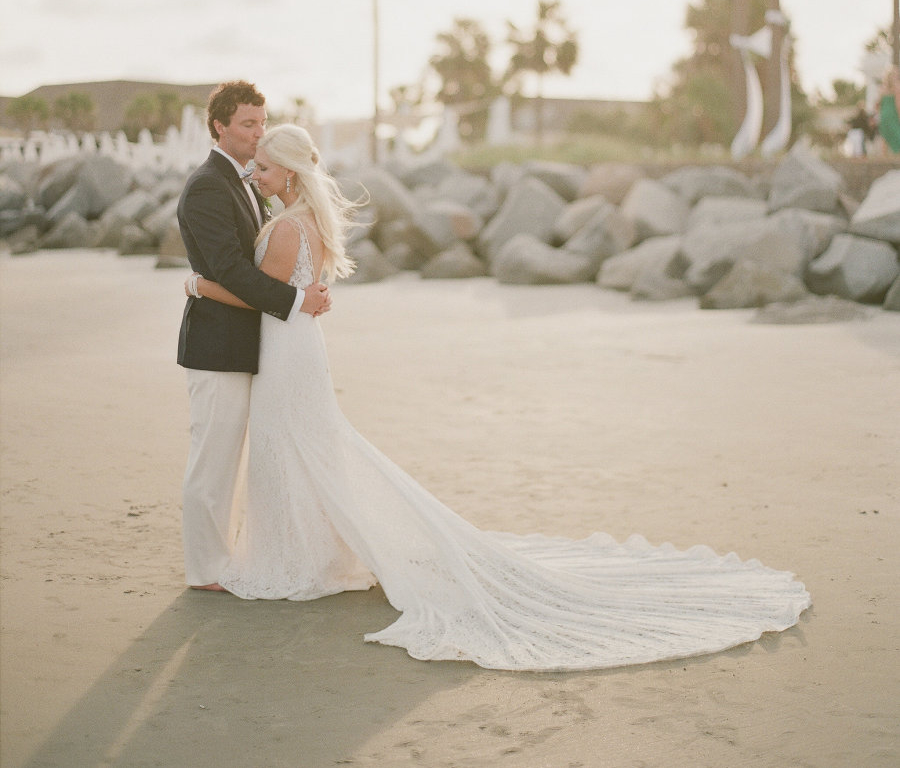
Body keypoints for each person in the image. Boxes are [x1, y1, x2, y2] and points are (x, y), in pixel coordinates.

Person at [187, 123, 811, 671]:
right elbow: (287, 294)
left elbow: (261, 295)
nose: (256, 175)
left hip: (287, 351)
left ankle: (297, 560)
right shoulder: (307, 222)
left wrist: (199, 286)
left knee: (290, 448)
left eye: (264, 167)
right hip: (298, 348)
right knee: (305, 449)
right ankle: (313, 555)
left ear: (288, 173)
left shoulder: (287, 229)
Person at [176, 82, 331, 591]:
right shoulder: (207, 186)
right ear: (219, 126)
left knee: (246, 461)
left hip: (257, 345)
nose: (258, 133)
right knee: (213, 461)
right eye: (248, 124)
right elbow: (232, 271)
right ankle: (206, 570)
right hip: (218, 346)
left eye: (262, 123)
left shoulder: (251, 183)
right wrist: (296, 300)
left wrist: (300, 293)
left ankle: (233, 557)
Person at [877, 66, 900, 153]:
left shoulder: (882, 88)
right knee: (897, 135)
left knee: (885, 136)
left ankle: (884, 157)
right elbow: (898, 104)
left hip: (883, 115)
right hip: (893, 114)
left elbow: (878, 104)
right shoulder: (897, 87)